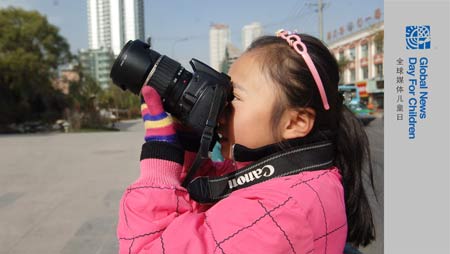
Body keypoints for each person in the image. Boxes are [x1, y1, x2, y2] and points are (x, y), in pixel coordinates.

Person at [117, 30, 375, 254]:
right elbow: (218, 196)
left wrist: (158, 169)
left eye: (233, 97)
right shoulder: (294, 180)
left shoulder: (277, 214)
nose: (220, 109)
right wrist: (187, 145)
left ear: (295, 123)